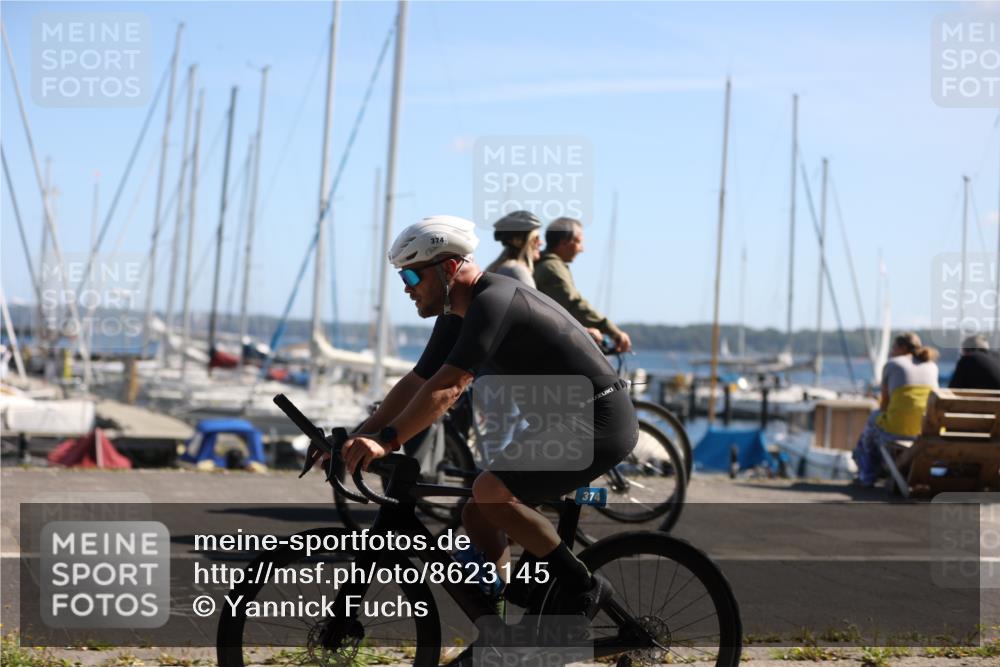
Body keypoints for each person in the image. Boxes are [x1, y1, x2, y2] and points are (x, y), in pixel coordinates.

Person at [332, 215, 638, 623]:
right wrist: (359, 436)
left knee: (491, 489)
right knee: (477, 512)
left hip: (600, 418)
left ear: (447, 268)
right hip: (565, 421)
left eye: (410, 276)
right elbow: (417, 380)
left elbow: (451, 385)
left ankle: (584, 587)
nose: (407, 289)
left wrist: (387, 441)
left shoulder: (493, 301)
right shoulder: (457, 312)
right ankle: (497, 630)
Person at [852, 332, 940, 487]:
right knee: (877, 422)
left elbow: (884, 404)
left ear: (902, 347)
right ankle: (881, 469)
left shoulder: (893, 363)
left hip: (898, 429)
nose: (891, 351)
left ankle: (868, 474)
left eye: (893, 347)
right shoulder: (931, 365)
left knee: (872, 421)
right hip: (926, 429)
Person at [533, 217, 632, 352]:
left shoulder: (542, 264)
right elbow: (574, 304)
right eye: (579, 242)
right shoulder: (553, 269)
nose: (582, 249)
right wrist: (613, 331)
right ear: (564, 242)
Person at [485, 210, 542, 287]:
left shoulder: (501, 268)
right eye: (536, 238)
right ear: (518, 241)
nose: (541, 242)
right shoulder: (516, 271)